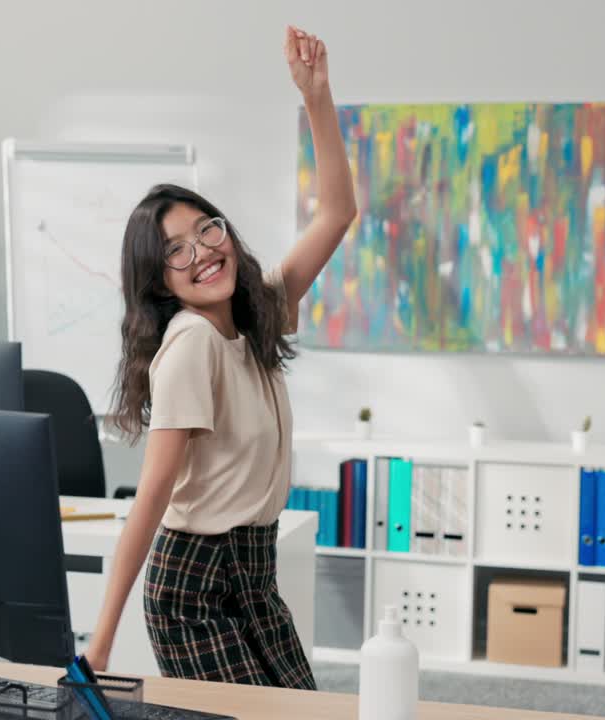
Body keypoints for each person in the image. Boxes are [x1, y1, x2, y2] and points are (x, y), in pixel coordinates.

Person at [84, 25, 357, 689]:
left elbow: (337, 213)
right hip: (192, 589)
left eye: (208, 228)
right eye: (176, 248)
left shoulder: (258, 310)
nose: (203, 250)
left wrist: (316, 96)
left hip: (252, 575)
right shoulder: (190, 346)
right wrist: (100, 644)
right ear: (161, 281)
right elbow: (150, 500)